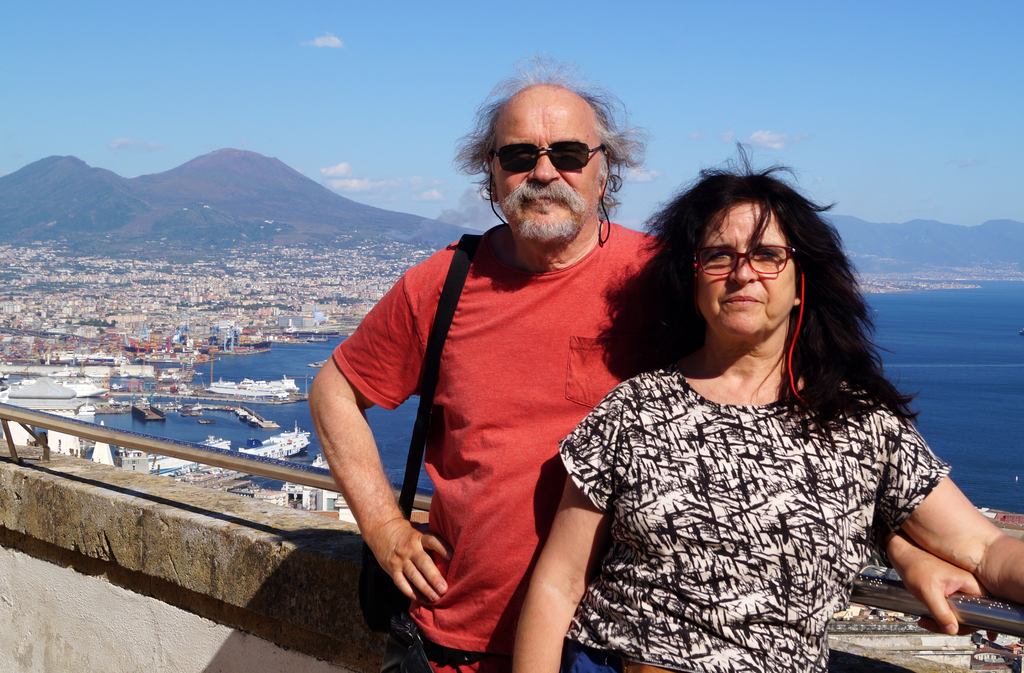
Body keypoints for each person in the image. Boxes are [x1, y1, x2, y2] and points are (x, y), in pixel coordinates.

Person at [513, 159, 1024, 673]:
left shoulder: (860, 424)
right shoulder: (633, 409)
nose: (741, 274)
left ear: (802, 281)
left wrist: (903, 549)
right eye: (718, 256)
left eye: (767, 255)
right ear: (694, 281)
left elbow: (985, 549)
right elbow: (559, 585)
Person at [308, 60, 650, 672]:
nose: (544, 173)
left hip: (619, 646)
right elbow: (335, 390)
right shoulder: (441, 284)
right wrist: (385, 528)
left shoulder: (663, 279)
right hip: (459, 639)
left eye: (568, 154)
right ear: (490, 174)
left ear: (605, 171)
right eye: (519, 156)